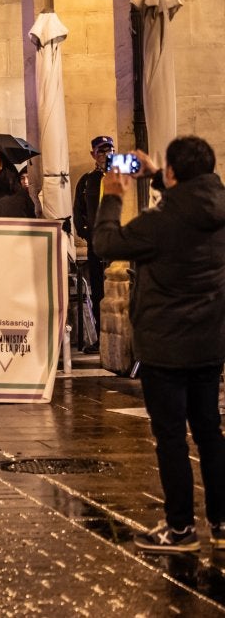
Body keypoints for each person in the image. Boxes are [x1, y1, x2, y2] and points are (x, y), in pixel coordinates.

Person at [93, 137, 225, 553]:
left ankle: (181, 528)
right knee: (209, 432)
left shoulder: (159, 223)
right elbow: (191, 209)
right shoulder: (218, 209)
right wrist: (161, 179)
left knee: (170, 436)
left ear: (172, 172)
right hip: (209, 341)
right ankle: (221, 524)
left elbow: (107, 245)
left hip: (165, 345)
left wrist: (112, 196)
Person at [73, 135, 115, 344]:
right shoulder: (87, 180)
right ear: (93, 154)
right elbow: (78, 212)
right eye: (101, 151)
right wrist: (86, 233)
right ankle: (101, 337)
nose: (106, 155)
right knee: (98, 291)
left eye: (109, 151)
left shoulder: (121, 176)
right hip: (96, 244)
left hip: (118, 244)